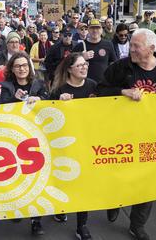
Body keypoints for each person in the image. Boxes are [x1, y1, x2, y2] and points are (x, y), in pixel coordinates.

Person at [97, 29, 156, 240]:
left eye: (136, 46)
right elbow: (100, 91)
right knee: (121, 176)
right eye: (130, 45)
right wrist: (122, 92)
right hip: (124, 136)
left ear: (151, 48)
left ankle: (137, 225)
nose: (131, 49)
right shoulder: (120, 68)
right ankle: (114, 201)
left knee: (148, 182)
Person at [48, 53, 96, 240]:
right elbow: (46, 113)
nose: (84, 67)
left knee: (83, 184)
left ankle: (81, 225)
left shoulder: (93, 85)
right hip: (64, 144)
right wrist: (58, 103)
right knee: (64, 179)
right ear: (69, 69)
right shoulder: (60, 89)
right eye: (80, 65)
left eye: (85, 64)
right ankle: (61, 208)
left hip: (86, 142)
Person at [73, 19, 117, 84]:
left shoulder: (108, 44)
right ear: (88, 30)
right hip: (85, 85)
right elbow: (69, 63)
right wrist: (81, 57)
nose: (95, 31)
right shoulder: (81, 45)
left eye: (97, 28)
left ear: (101, 30)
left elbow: (114, 63)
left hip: (103, 84)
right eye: (92, 28)